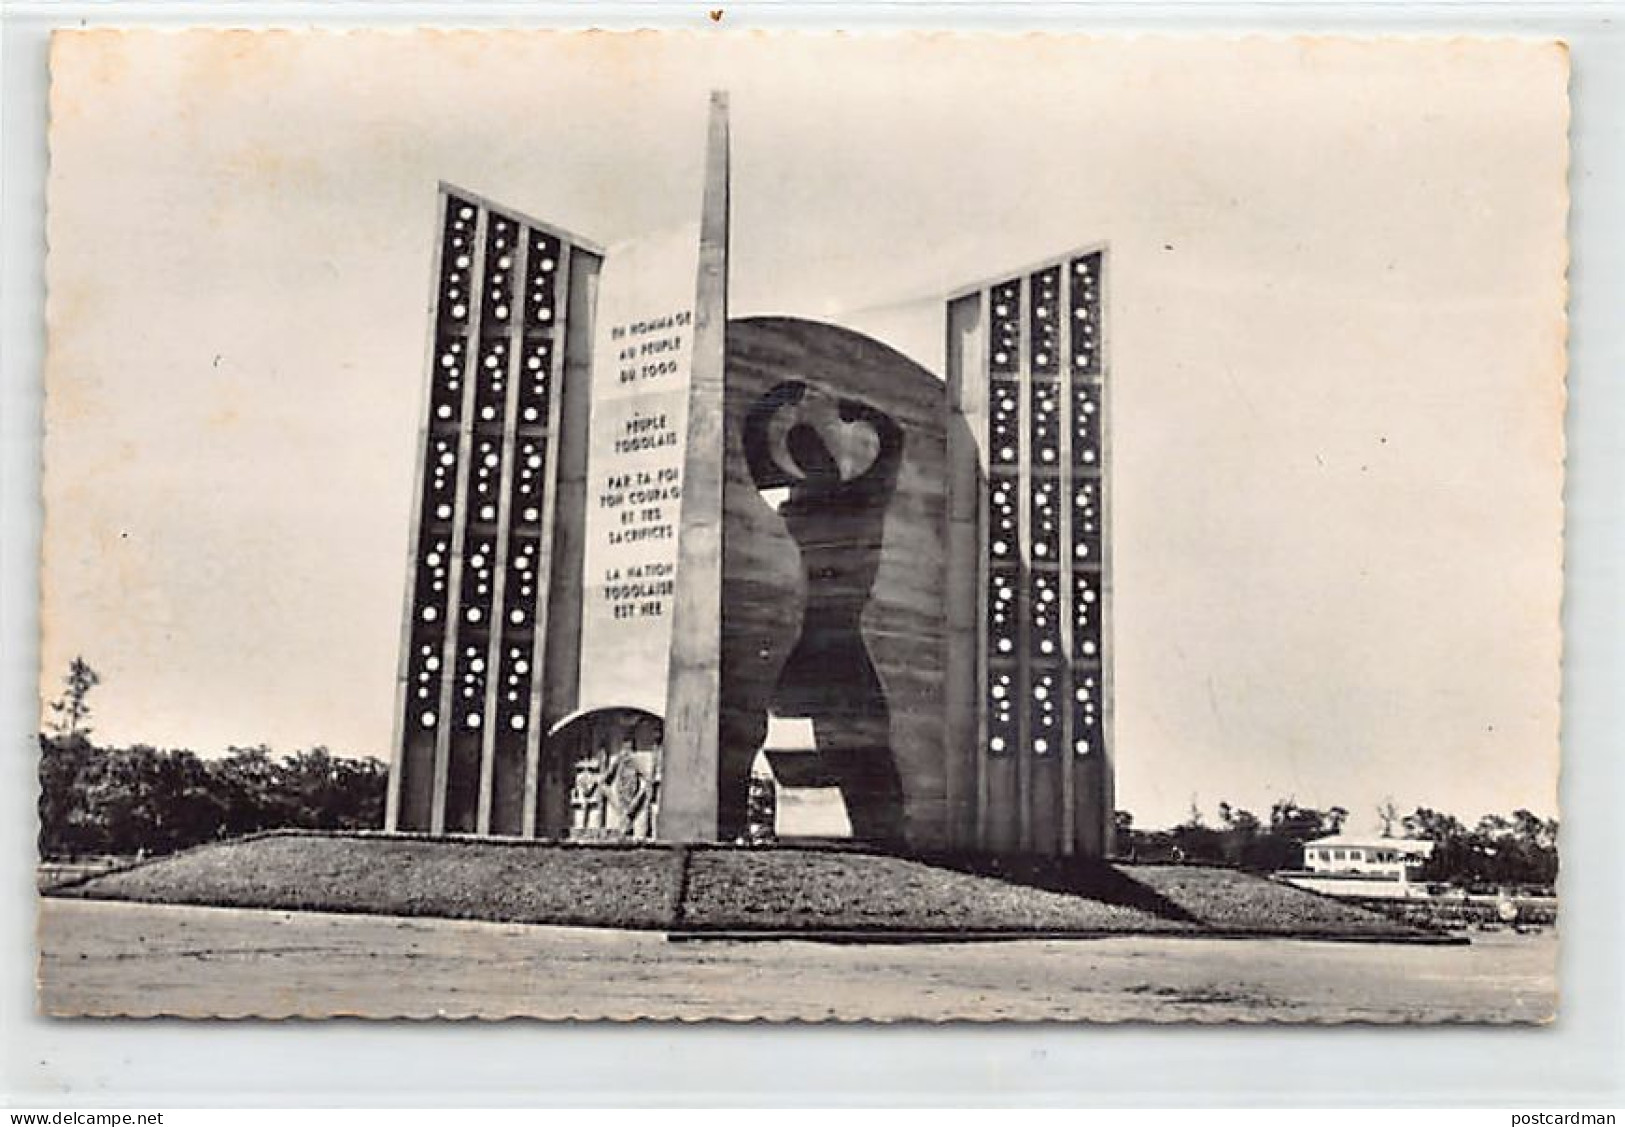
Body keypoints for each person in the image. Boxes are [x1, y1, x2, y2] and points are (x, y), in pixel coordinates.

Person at [739, 380, 906, 844]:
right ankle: (867, 832)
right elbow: (891, 447)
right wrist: (854, 410)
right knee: (834, 739)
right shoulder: (844, 506)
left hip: (829, 635)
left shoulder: (811, 511)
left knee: (860, 741)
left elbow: (892, 447)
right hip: (819, 634)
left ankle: (875, 833)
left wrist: (780, 400)